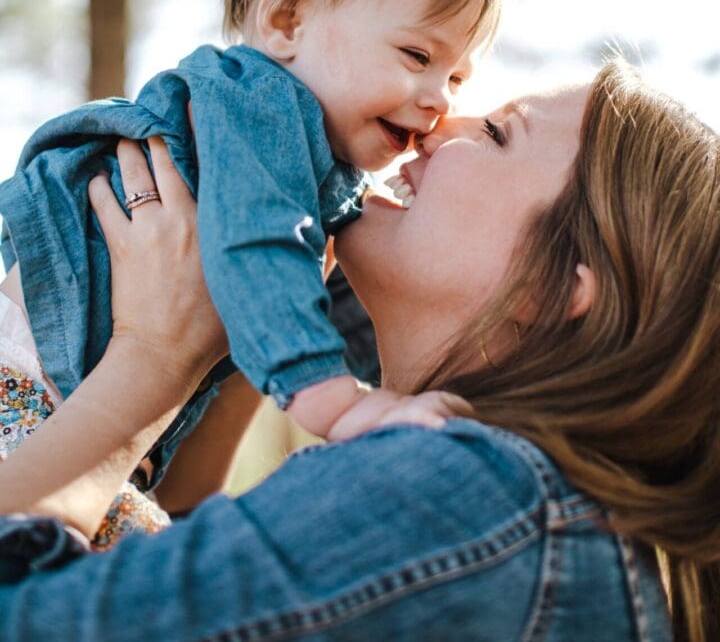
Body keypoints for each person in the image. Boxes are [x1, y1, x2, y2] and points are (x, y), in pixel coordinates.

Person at [1, 58, 718, 640]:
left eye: (500, 133)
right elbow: (181, 586)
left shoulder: (469, 498)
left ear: (560, 284)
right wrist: (258, 308)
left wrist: (152, 359)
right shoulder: (533, 521)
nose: (439, 123)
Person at [0, 0, 509, 504]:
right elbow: (261, 239)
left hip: (81, 423)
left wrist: (417, 396)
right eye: (417, 54)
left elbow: (350, 315)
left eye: (458, 76)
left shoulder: (327, 183)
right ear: (285, 20)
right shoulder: (253, 102)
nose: (441, 97)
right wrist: (337, 404)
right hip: (23, 384)